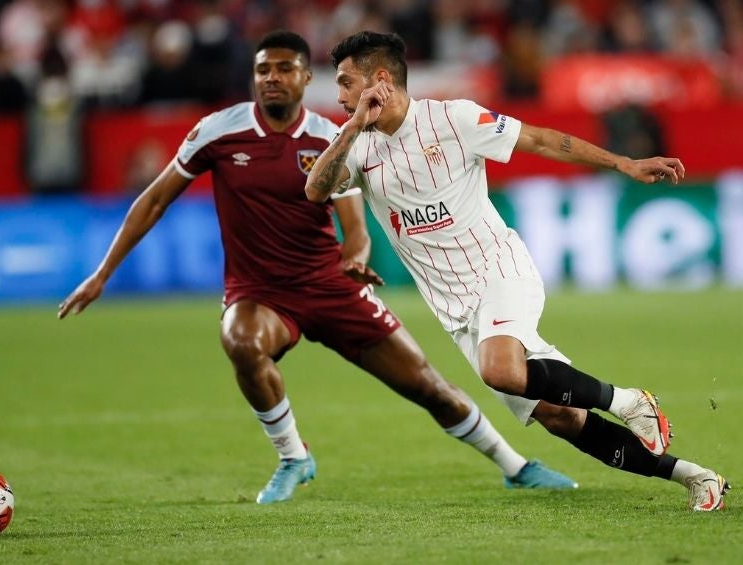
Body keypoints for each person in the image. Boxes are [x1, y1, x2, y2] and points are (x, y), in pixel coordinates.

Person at [58, 30, 578, 505]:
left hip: (331, 286)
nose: (272, 79)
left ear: (308, 79)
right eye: (263, 70)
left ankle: (515, 465)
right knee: (240, 340)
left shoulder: (337, 137)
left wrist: (355, 257)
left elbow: (354, 223)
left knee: (428, 387)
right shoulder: (220, 131)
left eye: (284, 69)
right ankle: (292, 456)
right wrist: (102, 273)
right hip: (259, 291)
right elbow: (153, 200)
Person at [305, 30, 729, 512]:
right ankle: (696, 478)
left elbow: (542, 139)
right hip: (455, 310)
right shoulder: (357, 149)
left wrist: (624, 163)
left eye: (345, 82)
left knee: (500, 371)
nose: (337, 95)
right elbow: (316, 191)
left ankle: (629, 401)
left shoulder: (454, 118)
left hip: (498, 270)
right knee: (561, 418)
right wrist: (353, 126)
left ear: (380, 79)